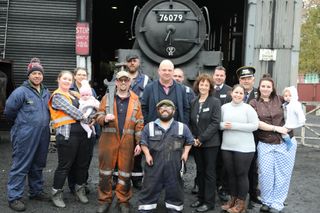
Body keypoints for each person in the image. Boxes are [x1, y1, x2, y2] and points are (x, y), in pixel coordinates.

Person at [4, 58, 51, 212]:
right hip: (25, 134)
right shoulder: (20, 92)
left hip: (43, 134)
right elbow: (9, 111)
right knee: (21, 164)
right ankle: (14, 197)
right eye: (34, 73)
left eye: (39, 73)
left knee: (38, 164)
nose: (37, 76)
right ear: (29, 75)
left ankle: (36, 191)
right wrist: (23, 125)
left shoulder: (46, 92)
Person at [95, 71, 144, 213]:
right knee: (105, 173)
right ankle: (104, 200)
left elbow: (139, 123)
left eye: (126, 80)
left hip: (127, 143)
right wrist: (104, 118)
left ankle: (123, 200)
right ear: (116, 82)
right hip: (108, 141)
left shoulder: (135, 100)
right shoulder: (107, 98)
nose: (123, 83)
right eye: (120, 80)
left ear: (130, 82)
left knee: (125, 174)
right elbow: (98, 115)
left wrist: (139, 143)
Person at [250, 74, 297, 213]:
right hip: (265, 143)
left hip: (285, 142)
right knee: (265, 174)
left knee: (283, 174)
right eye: (263, 86)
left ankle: (277, 203)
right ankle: (266, 201)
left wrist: (290, 127)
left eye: (268, 86)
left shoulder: (281, 99)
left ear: (273, 88)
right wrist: (276, 128)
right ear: (259, 87)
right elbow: (256, 122)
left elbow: (294, 111)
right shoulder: (254, 103)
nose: (265, 88)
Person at [138, 99, 194, 212]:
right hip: (154, 165)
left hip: (174, 165)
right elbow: (143, 142)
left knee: (175, 189)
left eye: (168, 107)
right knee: (150, 187)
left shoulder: (182, 127)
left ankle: (174, 208)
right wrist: (147, 154)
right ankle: (146, 208)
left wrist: (186, 152)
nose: (165, 109)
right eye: (162, 107)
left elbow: (189, 141)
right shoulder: (149, 126)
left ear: (173, 111)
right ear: (158, 111)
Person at [48, 70, 92, 208]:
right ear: (58, 79)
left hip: (83, 135)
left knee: (81, 165)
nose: (67, 81)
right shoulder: (57, 96)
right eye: (64, 79)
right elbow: (74, 112)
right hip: (67, 136)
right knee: (64, 166)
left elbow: (90, 104)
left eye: (69, 79)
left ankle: (79, 190)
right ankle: (56, 193)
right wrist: (90, 118)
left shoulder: (74, 94)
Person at [220, 84, 259, 213]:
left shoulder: (248, 109)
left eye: (241, 93)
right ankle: (233, 200)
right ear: (231, 93)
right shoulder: (224, 108)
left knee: (241, 174)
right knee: (231, 175)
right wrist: (223, 125)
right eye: (236, 92)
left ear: (244, 95)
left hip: (245, 148)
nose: (238, 95)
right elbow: (217, 123)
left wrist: (234, 125)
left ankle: (241, 204)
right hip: (227, 146)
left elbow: (255, 125)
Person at [189, 73, 221, 212]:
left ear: (210, 87)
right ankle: (200, 198)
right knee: (200, 171)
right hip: (196, 143)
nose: (203, 86)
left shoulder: (215, 102)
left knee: (209, 173)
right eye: (201, 84)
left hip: (210, 144)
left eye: (206, 85)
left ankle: (209, 202)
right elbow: (191, 122)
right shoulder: (194, 102)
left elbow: (215, 123)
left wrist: (201, 139)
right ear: (198, 85)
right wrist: (194, 139)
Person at [68, 67, 99, 195]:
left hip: (89, 130)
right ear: (74, 76)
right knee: (73, 159)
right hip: (74, 130)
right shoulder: (69, 90)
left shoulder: (91, 90)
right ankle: (72, 185)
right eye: (79, 75)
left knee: (86, 158)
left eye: (84, 75)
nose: (81, 77)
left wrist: (95, 119)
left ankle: (82, 183)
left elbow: (96, 107)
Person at [236, 66, 261, 208]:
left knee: (252, 168)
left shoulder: (259, 94)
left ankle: (252, 195)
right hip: (237, 137)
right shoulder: (235, 93)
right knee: (236, 168)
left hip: (254, 136)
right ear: (239, 80)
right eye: (243, 78)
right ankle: (237, 196)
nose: (246, 81)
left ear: (253, 79)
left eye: (248, 78)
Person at [126, 53, 151, 190]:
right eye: (129, 61)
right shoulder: (119, 77)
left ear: (138, 63)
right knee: (120, 149)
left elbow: (149, 99)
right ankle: (118, 178)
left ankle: (136, 179)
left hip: (139, 120)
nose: (132, 63)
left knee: (138, 149)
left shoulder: (146, 79)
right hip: (122, 119)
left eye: (134, 61)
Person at [141, 59, 190, 125]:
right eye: (164, 70)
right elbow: (143, 108)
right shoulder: (149, 88)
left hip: (176, 131)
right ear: (159, 71)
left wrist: (183, 125)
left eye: (169, 70)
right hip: (155, 130)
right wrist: (148, 125)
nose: (167, 72)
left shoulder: (181, 89)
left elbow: (186, 109)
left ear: (173, 72)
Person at [212, 66, 232, 201]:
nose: (219, 77)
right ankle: (202, 184)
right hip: (211, 132)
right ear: (213, 76)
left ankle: (222, 188)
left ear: (225, 77)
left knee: (223, 161)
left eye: (221, 75)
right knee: (209, 161)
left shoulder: (230, 91)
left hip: (225, 132)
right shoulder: (207, 88)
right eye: (217, 75)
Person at [281, 86, 306, 150]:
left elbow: (299, 113)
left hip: (291, 123)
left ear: (294, 96)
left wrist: (302, 120)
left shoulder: (295, 104)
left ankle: (289, 143)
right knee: (283, 131)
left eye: (290, 95)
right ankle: (287, 141)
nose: (288, 97)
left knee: (282, 131)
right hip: (287, 121)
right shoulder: (285, 104)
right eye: (286, 96)